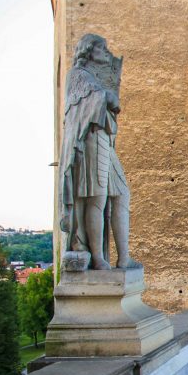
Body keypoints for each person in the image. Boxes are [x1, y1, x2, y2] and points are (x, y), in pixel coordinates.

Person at [58, 34, 140, 270]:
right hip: (91, 138)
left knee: (122, 194)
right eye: (101, 48)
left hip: (105, 139)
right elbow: (84, 109)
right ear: (89, 51)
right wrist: (108, 96)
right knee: (97, 199)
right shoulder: (78, 75)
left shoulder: (93, 77)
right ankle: (97, 257)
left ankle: (124, 257)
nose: (106, 52)